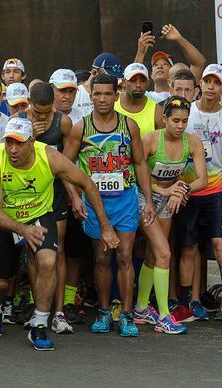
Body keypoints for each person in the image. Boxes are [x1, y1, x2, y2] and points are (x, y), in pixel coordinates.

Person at [0, 117, 118, 350]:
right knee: (2, 284)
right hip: (7, 219)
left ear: (32, 142)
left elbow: (87, 184)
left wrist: (106, 227)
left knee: (48, 261)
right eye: (9, 143)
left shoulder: (49, 156)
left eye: (19, 143)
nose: (13, 149)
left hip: (39, 216)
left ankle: (40, 323)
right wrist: (22, 229)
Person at [64, 74, 155, 337]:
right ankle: (104, 311)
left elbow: (139, 164)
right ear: (90, 95)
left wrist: (147, 200)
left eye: (108, 94)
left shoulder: (130, 126)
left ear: (117, 95)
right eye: (98, 94)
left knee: (125, 256)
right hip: (95, 202)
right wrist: (75, 197)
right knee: (102, 256)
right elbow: (65, 167)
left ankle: (126, 314)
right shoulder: (81, 128)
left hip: (125, 199)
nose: (103, 99)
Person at [174, 64, 222, 332]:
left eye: (216, 83)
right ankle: (185, 304)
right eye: (207, 81)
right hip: (187, 191)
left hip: (215, 193)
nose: (211, 86)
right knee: (187, 249)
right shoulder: (187, 114)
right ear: (200, 84)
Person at [134, 97, 207, 334]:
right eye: (175, 120)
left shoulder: (193, 142)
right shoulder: (151, 140)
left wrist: (181, 189)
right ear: (164, 119)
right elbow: (135, 172)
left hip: (169, 197)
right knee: (165, 252)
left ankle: (141, 307)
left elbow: (202, 180)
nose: (180, 126)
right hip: (145, 196)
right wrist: (161, 190)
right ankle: (165, 315)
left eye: (185, 121)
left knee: (154, 256)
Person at [16, 82, 73, 333]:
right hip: (29, 195)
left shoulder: (63, 122)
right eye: (37, 112)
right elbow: (13, 159)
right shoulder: (18, 121)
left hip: (57, 194)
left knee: (57, 251)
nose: (42, 116)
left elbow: (67, 165)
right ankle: (38, 306)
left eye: (47, 111)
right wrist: (33, 139)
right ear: (28, 103)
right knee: (32, 254)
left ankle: (59, 312)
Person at [135, 23, 206, 102]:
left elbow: (199, 64)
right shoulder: (145, 96)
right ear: (151, 75)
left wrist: (179, 39)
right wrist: (140, 52)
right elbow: (133, 78)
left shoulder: (184, 93)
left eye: (165, 64)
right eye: (155, 65)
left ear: (173, 73)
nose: (160, 67)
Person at [114, 63, 164, 136]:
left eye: (143, 81)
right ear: (124, 82)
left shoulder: (157, 112)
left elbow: (161, 145)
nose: (138, 85)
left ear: (148, 83)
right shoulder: (112, 103)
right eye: (133, 80)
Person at [73, 52, 124, 117]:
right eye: (108, 76)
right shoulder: (76, 94)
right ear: (95, 72)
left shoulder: (116, 95)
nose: (112, 80)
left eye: (116, 78)